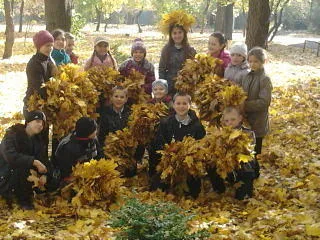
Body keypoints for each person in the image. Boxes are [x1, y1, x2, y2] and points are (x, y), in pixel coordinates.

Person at [150, 92, 206, 198]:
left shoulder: (197, 125)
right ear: (173, 105)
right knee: (159, 190)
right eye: (178, 103)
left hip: (188, 164)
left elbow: (202, 143)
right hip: (169, 163)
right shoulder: (165, 122)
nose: (181, 106)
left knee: (193, 193)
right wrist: (169, 153)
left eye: (184, 103)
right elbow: (159, 142)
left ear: (189, 105)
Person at [0, 111, 49, 210]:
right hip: (6, 173)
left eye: (43, 124)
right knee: (21, 167)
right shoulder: (12, 134)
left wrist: (45, 174)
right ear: (28, 122)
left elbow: (43, 160)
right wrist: (34, 162)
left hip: (25, 178)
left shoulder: (38, 141)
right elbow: (10, 157)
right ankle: (19, 198)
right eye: (38, 121)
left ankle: (28, 196)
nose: (41, 125)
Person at [208, 106, 256, 200]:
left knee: (242, 196)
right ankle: (219, 188)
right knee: (211, 164)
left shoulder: (248, 133)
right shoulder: (221, 134)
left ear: (240, 118)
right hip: (226, 163)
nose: (230, 123)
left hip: (242, 165)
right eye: (227, 121)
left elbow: (249, 150)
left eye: (233, 119)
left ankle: (243, 188)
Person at [239, 47, 273, 178]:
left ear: (263, 62)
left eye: (256, 62)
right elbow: (242, 93)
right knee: (246, 148)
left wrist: (245, 106)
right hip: (246, 118)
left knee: (255, 150)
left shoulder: (265, 79)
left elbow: (264, 102)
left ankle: (255, 173)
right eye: (250, 61)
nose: (252, 64)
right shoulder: (246, 76)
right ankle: (247, 172)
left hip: (258, 121)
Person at [23, 30, 56, 161]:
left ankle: (45, 167)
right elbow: (40, 87)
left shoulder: (49, 60)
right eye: (47, 45)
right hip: (34, 104)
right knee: (34, 139)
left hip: (45, 104)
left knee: (44, 139)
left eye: (51, 45)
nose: (50, 48)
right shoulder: (34, 63)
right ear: (39, 46)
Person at [54, 117, 104, 182]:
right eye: (94, 130)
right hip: (75, 178)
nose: (96, 132)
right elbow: (65, 172)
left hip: (92, 173)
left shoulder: (93, 138)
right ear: (87, 133)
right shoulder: (67, 147)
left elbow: (100, 155)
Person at [159, 11, 196, 95]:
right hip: (170, 86)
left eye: (180, 32)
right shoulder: (166, 49)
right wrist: (163, 86)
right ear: (171, 35)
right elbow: (161, 69)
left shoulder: (191, 50)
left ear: (184, 33)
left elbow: (195, 69)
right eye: (174, 33)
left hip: (185, 86)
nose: (177, 36)